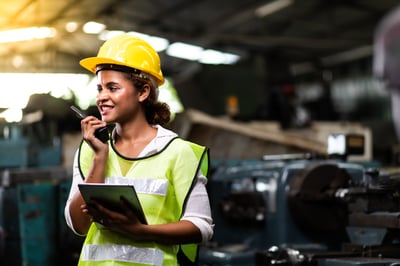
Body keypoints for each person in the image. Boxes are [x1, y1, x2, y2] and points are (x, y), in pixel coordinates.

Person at [64, 34, 214, 266]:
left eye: (113, 88)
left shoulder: (178, 152)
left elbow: (201, 227)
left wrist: (142, 231)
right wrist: (100, 158)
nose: (102, 97)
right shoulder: (90, 149)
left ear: (143, 92)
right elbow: (78, 226)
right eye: (100, 88)